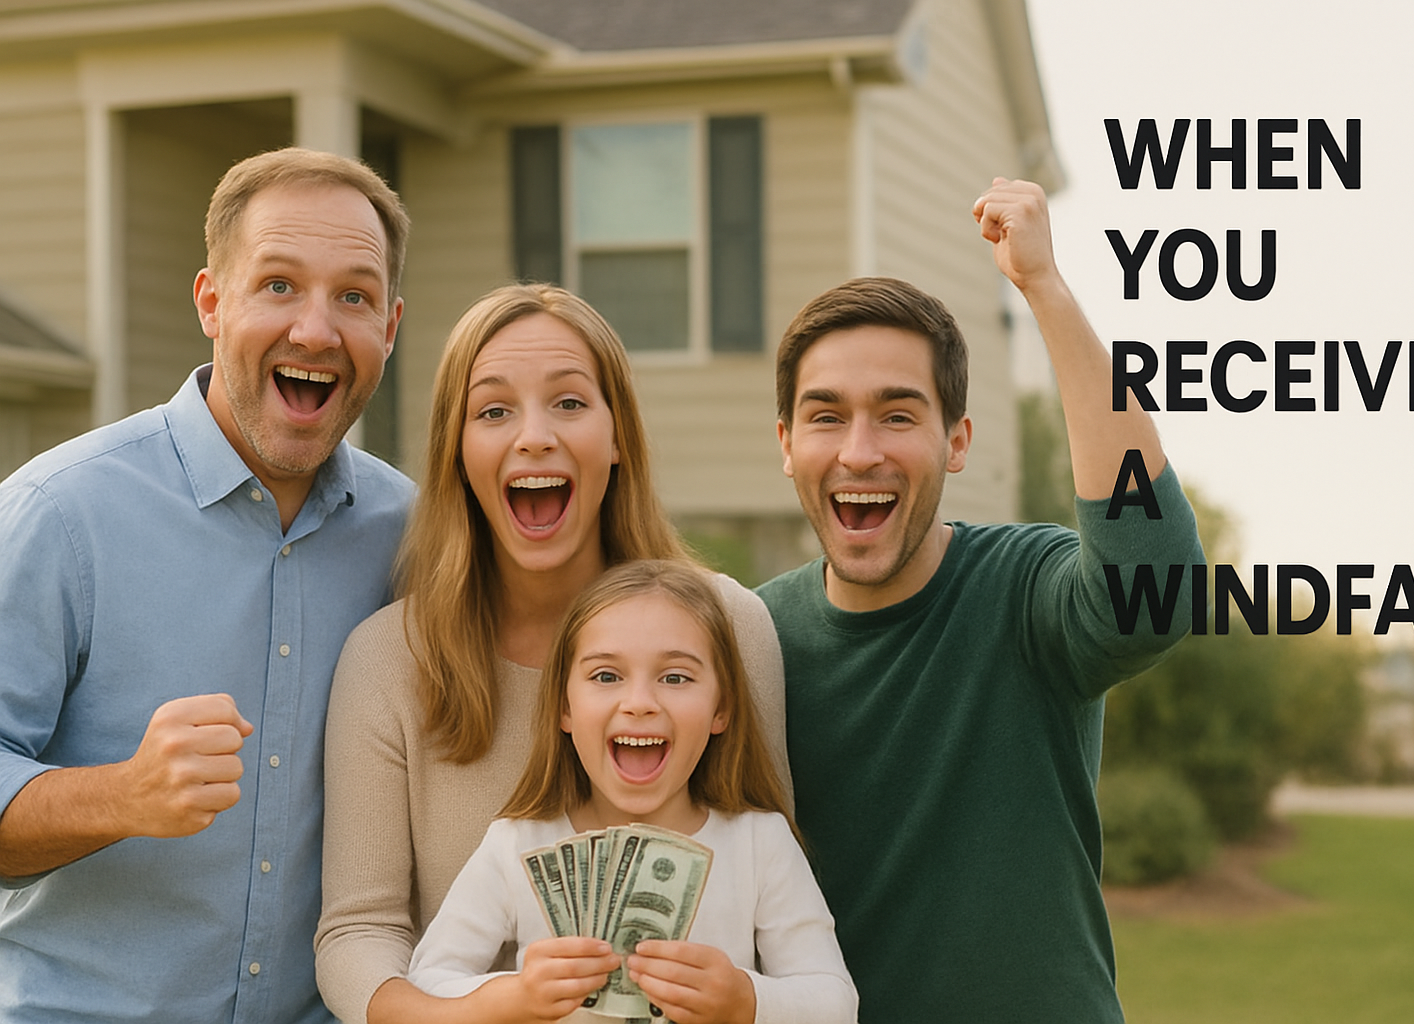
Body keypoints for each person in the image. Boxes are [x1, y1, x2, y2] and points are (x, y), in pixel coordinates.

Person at [755, 178, 1206, 1023]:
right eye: (826, 417)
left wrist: (1046, 289)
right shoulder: (752, 637)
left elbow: (1157, 587)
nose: (859, 452)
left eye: (898, 415)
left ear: (955, 441)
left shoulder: (1025, 592)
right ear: (787, 444)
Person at [0, 147, 413, 1022]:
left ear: (391, 326)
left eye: (354, 296)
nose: (315, 329)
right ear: (211, 302)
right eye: (278, 285)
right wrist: (123, 793)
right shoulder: (60, 515)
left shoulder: (411, 537)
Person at [315, 284, 790, 1024]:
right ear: (458, 450)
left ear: (618, 435)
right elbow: (359, 932)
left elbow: (776, 911)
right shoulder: (387, 659)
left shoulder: (730, 627)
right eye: (494, 410)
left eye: (569, 403)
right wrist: (483, 1013)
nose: (533, 436)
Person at [406, 559, 856, 1024]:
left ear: (720, 708)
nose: (639, 703)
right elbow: (426, 983)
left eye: (675, 677)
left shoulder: (760, 843)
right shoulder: (516, 844)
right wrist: (513, 996)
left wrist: (746, 1000)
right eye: (606, 676)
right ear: (564, 707)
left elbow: (834, 1001)